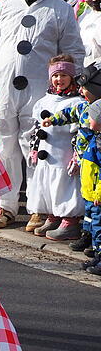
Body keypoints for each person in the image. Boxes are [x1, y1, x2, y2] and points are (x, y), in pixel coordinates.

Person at [0, 0, 85, 227]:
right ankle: (5, 205)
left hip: (40, 91)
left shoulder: (59, 9)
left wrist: (72, 86)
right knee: (4, 147)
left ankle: (39, 206)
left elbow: (73, 50)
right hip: (4, 89)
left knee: (36, 147)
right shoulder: (3, 6)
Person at [42, 62, 101, 256]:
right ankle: (88, 234)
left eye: (86, 87)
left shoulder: (97, 111)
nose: (82, 90)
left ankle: (95, 241)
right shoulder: (84, 107)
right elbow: (69, 114)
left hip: (96, 163)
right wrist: (54, 119)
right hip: (84, 162)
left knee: (95, 203)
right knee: (87, 201)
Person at [23, 55, 84, 239]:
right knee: (47, 184)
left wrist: (77, 155)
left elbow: (79, 133)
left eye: (64, 75)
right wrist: (34, 148)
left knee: (65, 184)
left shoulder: (77, 103)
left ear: (72, 77)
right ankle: (53, 214)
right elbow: (37, 127)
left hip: (63, 153)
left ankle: (69, 220)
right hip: (46, 154)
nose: (59, 80)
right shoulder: (45, 100)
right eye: (56, 75)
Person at [78, 100, 101, 275]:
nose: (88, 120)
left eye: (91, 117)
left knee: (100, 228)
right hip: (90, 194)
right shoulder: (95, 137)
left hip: (97, 196)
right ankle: (97, 256)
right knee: (94, 226)